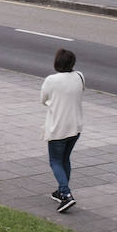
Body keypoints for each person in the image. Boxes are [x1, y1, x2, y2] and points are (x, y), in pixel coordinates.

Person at [41, 48, 85, 213]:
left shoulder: (51, 80)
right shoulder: (80, 76)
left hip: (57, 128)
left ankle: (66, 194)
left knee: (55, 161)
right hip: (75, 127)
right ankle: (61, 191)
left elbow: (43, 99)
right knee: (65, 159)